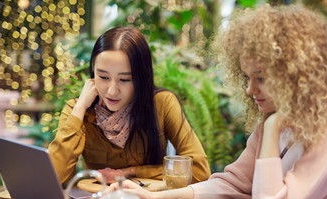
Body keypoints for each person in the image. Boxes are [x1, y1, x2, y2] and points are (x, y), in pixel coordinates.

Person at [106, 5, 327, 199]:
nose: (249, 89)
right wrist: (152, 197)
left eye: (262, 78)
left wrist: (272, 126)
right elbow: (233, 184)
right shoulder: (278, 121)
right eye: (247, 77)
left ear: (296, 74)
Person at [48, 26, 211, 185]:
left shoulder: (162, 103)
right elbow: (55, 179)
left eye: (125, 80)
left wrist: (129, 172)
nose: (111, 91)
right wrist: (80, 106)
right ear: (93, 72)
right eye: (103, 77)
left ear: (142, 78)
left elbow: (199, 172)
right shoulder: (78, 109)